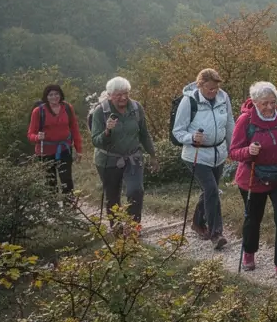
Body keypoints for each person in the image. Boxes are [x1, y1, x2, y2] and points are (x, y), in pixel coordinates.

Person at [228, 81, 277, 279]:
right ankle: (249, 251)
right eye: (264, 103)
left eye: (273, 102)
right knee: (253, 218)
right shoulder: (245, 120)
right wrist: (248, 151)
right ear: (254, 102)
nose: (269, 107)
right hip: (253, 176)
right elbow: (233, 152)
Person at [172, 68, 233, 250]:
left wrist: (233, 148)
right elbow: (177, 131)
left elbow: (230, 122)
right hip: (196, 155)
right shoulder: (189, 101)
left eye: (215, 88)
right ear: (200, 86)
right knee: (212, 190)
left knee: (209, 191)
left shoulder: (223, 98)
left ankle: (197, 223)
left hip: (218, 153)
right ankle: (216, 234)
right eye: (209, 89)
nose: (213, 92)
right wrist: (191, 138)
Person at [90, 76, 156, 225]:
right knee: (112, 198)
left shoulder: (136, 108)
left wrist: (152, 155)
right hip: (108, 161)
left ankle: (133, 227)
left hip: (133, 157)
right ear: (109, 95)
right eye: (118, 95)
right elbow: (96, 141)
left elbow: (144, 133)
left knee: (136, 191)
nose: (123, 97)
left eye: (126, 93)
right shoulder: (100, 112)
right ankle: (118, 231)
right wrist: (107, 131)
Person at [28, 84, 82, 195]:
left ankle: (69, 208)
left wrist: (79, 149)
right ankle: (53, 209)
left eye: (56, 94)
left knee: (66, 180)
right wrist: (37, 137)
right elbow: (30, 134)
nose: (54, 97)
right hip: (45, 152)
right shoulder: (38, 111)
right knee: (50, 182)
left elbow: (74, 129)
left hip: (64, 149)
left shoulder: (67, 108)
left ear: (61, 95)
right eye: (51, 95)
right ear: (46, 97)